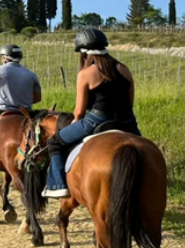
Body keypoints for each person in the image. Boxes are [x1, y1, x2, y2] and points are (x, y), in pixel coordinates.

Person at [43, 29, 141, 198]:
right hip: (127, 121)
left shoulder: (86, 74)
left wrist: (75, 122)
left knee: (54, 142)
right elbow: (130, 103)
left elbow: (79, 111)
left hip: (97, 119)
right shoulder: (124, 69)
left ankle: (58, 185)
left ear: (84, 52)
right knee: (143, 150)